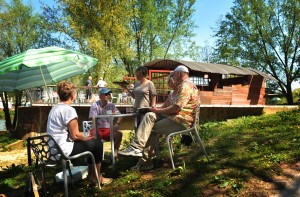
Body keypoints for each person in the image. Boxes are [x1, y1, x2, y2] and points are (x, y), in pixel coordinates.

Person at [118, 65, 200, 171]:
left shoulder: (186, 86)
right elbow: (167, 107)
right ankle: (137, 148)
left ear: (179, 74)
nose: (173, 78)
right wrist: (154, 110)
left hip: (182, 121)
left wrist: (157, 110)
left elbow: (175, 108)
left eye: (174, 75)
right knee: (149, 116)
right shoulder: (181, 87)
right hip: (173, 118)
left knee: (149, 128)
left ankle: (144, 161)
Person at [46, 80, 112, 185]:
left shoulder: (54, 108)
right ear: (73, 95)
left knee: (92, 143)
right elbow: (75, 135)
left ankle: (91, 175)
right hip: (63, 151)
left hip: (52, 151)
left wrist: (86, 139)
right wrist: (87, 138)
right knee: (97, 144)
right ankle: (97, 177)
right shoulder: (69, 110)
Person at [89, 88, 123, 156]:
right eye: (106, 94)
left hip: (108, 130)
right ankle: (96, 158)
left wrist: (117, 123)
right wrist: (95, 130)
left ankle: (114, 154)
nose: (108, 96)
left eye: (109, 94)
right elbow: (93, 118)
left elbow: (120, 115)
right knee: (94, 137)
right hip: (97, 128)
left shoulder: (111, 105)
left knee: (119, 134)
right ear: (100, 96)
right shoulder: (95, 105)